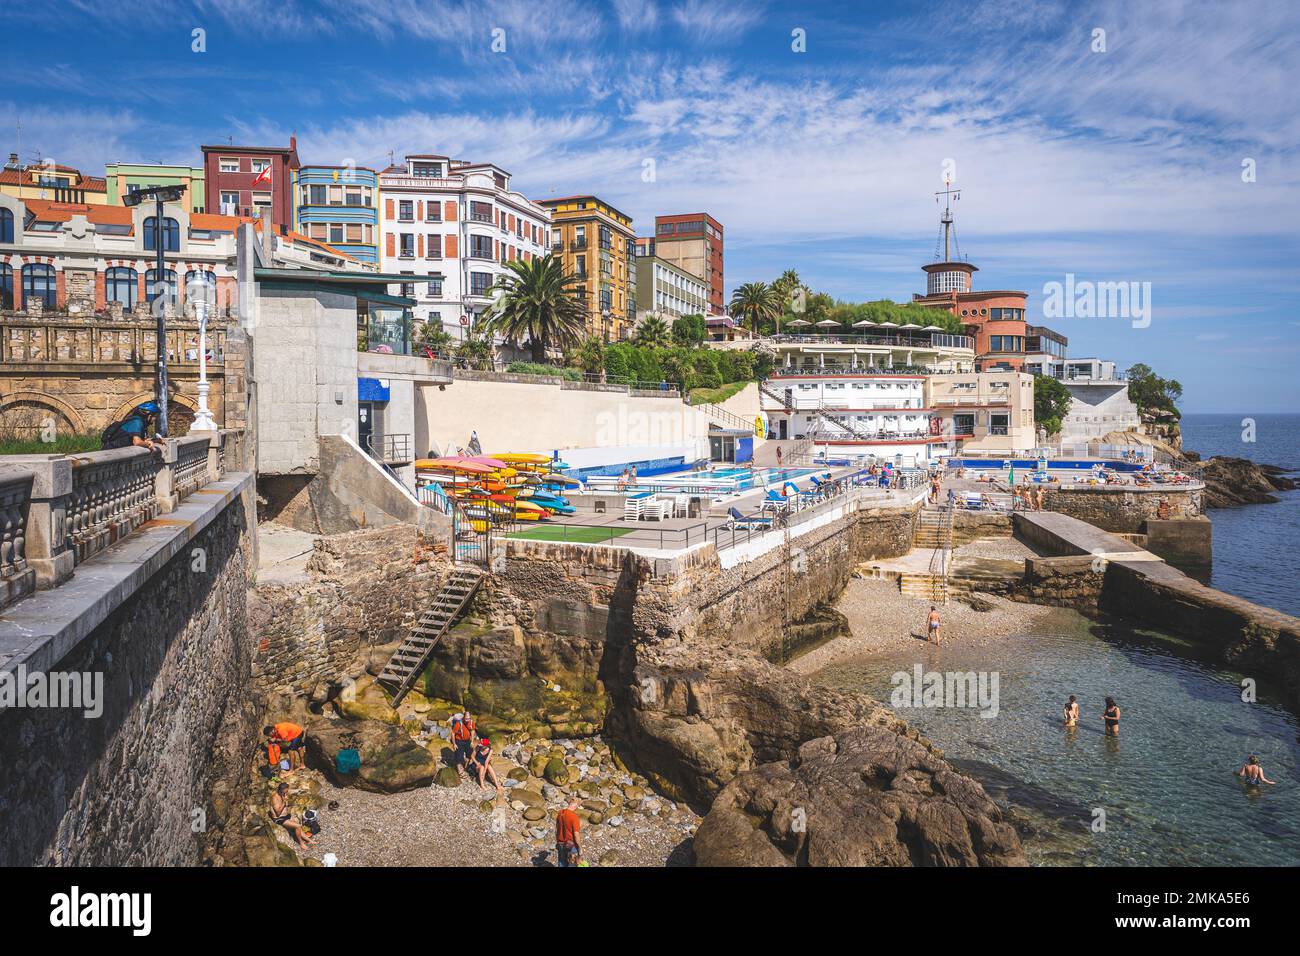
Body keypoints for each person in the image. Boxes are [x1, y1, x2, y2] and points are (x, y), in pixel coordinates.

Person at [270, 782, 313, 850]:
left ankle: (309, 840)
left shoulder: (283, 793)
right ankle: (301, 843)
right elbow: (278, 813)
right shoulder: (275, 798)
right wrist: (284, 802)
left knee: (298, 823)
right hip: (279, 818)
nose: (287, 792)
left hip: (286, 816)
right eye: (286, 791)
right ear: (282, 790)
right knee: (298, 826)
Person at [555, 796, 583, 867]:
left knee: (561, 863)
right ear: (576, 805)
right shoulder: (574, 817)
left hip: (560, 842)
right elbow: (576, 835)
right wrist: (580, 849)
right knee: (572, 864)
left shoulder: (560, 813)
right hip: (571, 844)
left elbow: (557, 828)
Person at [450, 711, 476, 775]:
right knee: (459, 755)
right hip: (459, 741)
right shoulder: (459, 723)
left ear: (470, 718)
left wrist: (472, 741)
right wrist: (454, 744)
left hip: (468, 740)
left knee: (470, 754)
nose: (467, 720)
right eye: (466, 718)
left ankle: (466, 767)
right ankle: (460, 771)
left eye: (468, 718)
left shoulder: (471, 722)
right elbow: (453, 733)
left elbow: (472, 731)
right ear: (463, 717)